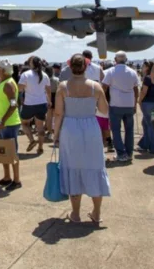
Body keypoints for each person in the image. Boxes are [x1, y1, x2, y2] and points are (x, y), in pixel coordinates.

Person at [55, 53, 111, 224]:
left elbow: (58, 113)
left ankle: (76, 213)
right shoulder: (96, 87)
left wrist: (56, 134)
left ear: (70, 68)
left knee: (73, 167)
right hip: (90, 127)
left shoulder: (63, 87)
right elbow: (104, 110)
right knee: (94, 166)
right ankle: (96, 212)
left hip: (70, 128)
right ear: (86, 67)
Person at [102, 52, 139, 163]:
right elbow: (136, 89)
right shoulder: (133, 72)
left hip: (116, 104)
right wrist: (135, 103)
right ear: (126, 59)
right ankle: (129, 152)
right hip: (129, 104)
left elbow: (104, 87)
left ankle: (121, 153)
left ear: (115, 60)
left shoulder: (111, 72)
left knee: (116, 130)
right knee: (129, 130)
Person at [0, 60, 22, 192]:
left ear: (3, 71)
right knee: (3, 152)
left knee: (12, 152)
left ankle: (16, 180)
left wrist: (2, 120)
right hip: (4, 123)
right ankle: (7, 177)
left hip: (9, 124)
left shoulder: (8, 84)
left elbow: (14, 104)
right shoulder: (4, 83)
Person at [18, 56, 51, 155]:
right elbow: (48, 91)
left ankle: (32, 140)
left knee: (24, 123)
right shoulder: (45, 75)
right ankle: (40, 147)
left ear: (31, 64)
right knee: (40, 127)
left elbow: (20, 89)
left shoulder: (26, 75)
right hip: (42, 103)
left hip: (29, 103)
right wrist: (49, 101)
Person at [137, 61, 154, 155]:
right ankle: (144, 144)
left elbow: (144, 91)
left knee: (150, 125)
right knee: (146, 123)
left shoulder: (148, 78)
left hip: (148, 104)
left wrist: (139, 100)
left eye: (144, 66)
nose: (142, 67)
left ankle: (153, 147)